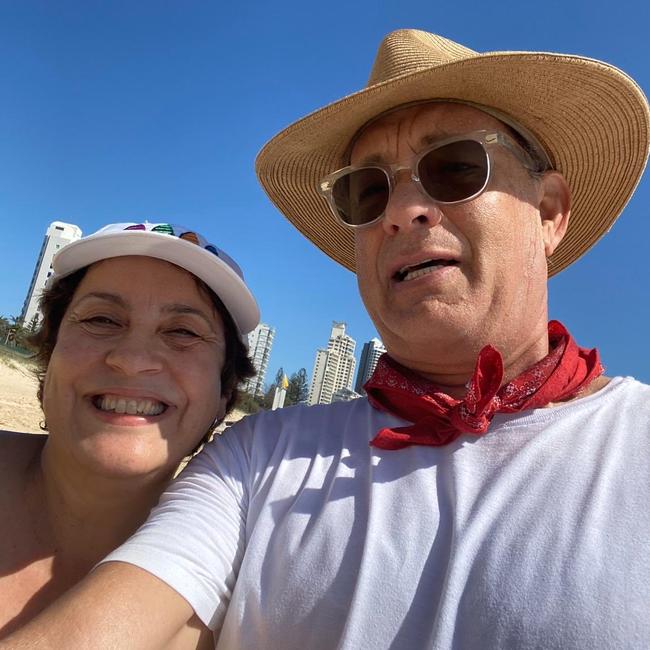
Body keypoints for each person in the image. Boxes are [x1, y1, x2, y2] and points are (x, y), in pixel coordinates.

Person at [3, 29, 650, 649]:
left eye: (455, 168)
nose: (402, 209)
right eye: (369, 191)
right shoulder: (258, 460)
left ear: (548, 212)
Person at [0, 222, 258, 646]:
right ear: (50, 356)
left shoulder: (239, 618)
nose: (134, 360)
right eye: (102, 319)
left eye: (183, 332)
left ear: (223, 395)